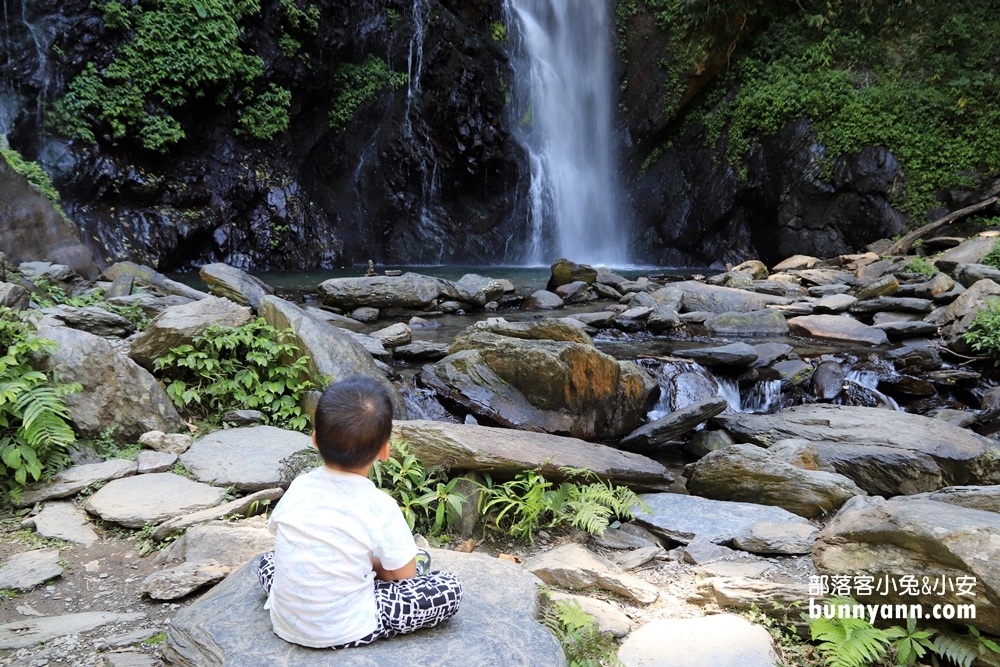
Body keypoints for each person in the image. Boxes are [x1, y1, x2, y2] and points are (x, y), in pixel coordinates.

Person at [256, 376, 463, 648]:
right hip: (349, 626)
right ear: (385, 450)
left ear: (315, 440)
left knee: (268, 561)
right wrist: (376, 565)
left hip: (286, 622)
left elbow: (279, 531)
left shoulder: (299, 486)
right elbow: (403, 575)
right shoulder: (380, 505)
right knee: (449, 588)